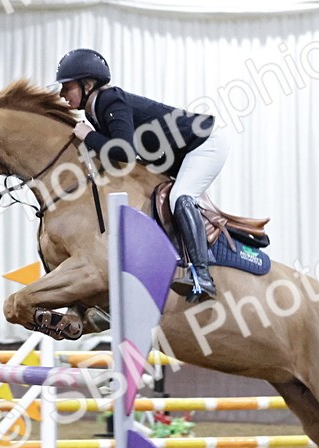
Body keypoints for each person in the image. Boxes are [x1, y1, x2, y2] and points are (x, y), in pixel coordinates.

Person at [55, 48, 228, 302]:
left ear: (88, 84)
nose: (61, 94)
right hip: (175, 156)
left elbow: (124, 151)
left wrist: (88, 136)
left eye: (67, 87)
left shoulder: (109, 100)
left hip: (205, 143)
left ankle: (202, 274)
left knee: (180, 197)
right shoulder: (94, 110)